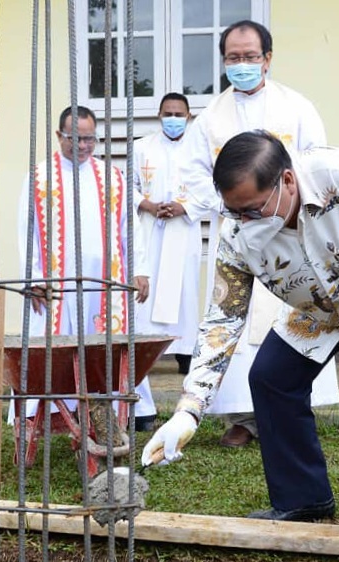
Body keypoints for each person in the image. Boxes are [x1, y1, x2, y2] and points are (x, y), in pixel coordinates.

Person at [142, 131, 339, 541]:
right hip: (319, 310)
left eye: (252, 210)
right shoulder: (237, 235)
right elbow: (223, 320)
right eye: (234, 213)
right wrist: (188, 410)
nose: (244, 222)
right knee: (270, 376)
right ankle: (304, 498)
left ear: (286, 181)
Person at [178, 19, 339, 448]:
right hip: (238, 233)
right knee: (234, 316)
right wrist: (232, 208)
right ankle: (243, 417)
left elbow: (317, 160)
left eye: (251, 56)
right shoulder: (210, 117)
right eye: (234, 58)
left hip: (291, 230)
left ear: (267, 58)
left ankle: (292, 403)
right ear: (224, 62)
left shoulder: (298, 107)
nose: (243, 64)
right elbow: (193, 175)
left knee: (293, 311)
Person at [15, 105, 156, 448]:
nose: (83, 145)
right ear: (59, 136)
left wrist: (139, 270)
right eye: (75, 138)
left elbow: (129, 227)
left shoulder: (112, 177)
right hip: (56, 282)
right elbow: (27, 229)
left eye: (90, 139)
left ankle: (120, 413)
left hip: (104, 280)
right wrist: (33, 278)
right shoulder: (39, 177)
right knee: (55, 345)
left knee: (107, 343)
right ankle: (48, 412)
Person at [132, 93, 201, 385]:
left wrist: (185, 207)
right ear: (159, 115)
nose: (173, 119)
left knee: (184, 288)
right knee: (147, 289)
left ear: (189, 116)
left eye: (179, 114)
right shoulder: (142, 148)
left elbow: (212, 189)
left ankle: (185, 351)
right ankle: (145, 351)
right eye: (168, 113)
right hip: (150, 227)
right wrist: (147, 205)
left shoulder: (201, 150)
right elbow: (126, 186)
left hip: (183, 229)